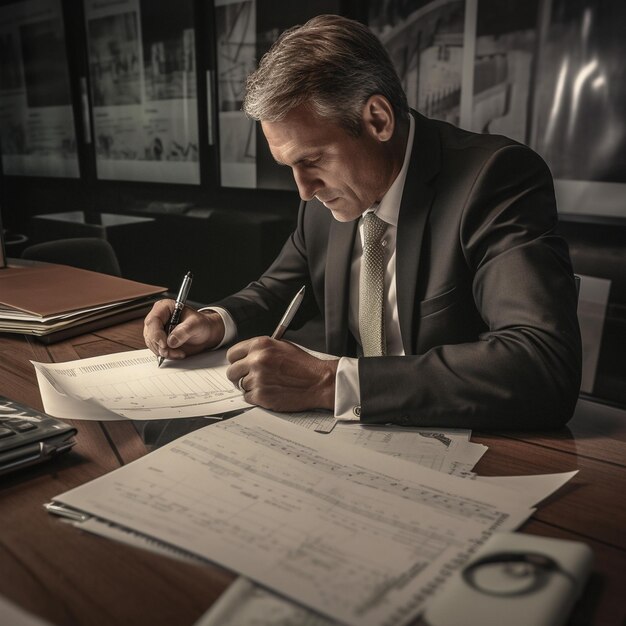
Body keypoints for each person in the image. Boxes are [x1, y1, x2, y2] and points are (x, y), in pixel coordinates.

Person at [144, 14, 581, 429]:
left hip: (476, 448)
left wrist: (328, 381)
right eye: (288, 166)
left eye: (312, 160)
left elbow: (541, 364)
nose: (303, 190)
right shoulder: (324, 199)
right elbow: (275, 292)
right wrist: (213, 322)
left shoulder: (495, 179)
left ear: (378, 119)